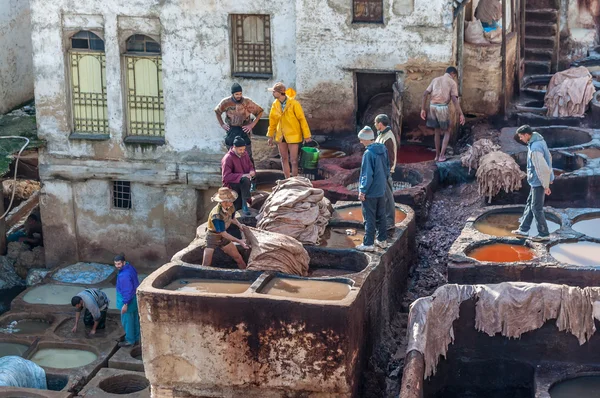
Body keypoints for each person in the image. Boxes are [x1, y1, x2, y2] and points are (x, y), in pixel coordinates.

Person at [511, 125, 554, 241]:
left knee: (536, 207)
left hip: (538, 181)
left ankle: (544, 234)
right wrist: (551, 176)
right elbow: (549, 158)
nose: (520, 139)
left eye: (521, 137)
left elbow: (541, 167)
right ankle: (523, 229)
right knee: (531, 203)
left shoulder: (535, 147)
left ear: (526, 135)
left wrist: (546, 185)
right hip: (536, 180)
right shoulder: (539, 140)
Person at [266, 83, 312, 178]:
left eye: (274, 92)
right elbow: (272, 121)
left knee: (294, 160)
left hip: (293, 134)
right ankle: (287, 179)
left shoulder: (294, 103)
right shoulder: (275, 104)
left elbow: (302, 119)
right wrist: (270, 136)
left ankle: (294, 180)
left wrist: (307, 135)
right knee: (283, 158)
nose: (273, 93)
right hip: (281, 134)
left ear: (280, 92)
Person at [420, 66, 466, 162]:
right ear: (453, 74)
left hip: (432, 106)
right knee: (447, 130)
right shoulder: (452, 82)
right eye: (454, 76)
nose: (454, 77)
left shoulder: (435, 79)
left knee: (437, 131)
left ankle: (436, 156)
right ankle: (441, 155)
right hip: (442, 108)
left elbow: (425, 94)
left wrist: (423, 109)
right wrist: (461, 114)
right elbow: (454, 99)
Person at [356, 126, 390, 252]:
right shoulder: (383, 149)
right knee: (381, 215)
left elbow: (367, 174)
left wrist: (362, 191)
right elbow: (387, 168)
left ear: (366, 139)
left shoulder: (368, 153)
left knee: (369, 217)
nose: (360, 142)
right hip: (381, 189)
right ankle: (382, 240)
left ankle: (368, 243)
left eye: (361, 139)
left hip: (370, 192)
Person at [215, 82, 264, 166]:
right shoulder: (226, 102)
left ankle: (252, 176)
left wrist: (251, 125)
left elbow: (259, 112)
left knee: (247, 155)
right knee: (232, 156)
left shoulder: (247, 102)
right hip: (232, 130)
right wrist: (222, 124)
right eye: (236, 94)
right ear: (232, 94)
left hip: (244, 129)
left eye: (240, 93)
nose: (239, 96)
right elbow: (217, 111)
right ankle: (235, 175)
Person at [203, 187, 249, 269]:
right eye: (230, 200)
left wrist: (240, 225)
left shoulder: (231, 206)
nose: (232, 202)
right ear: (223, 202)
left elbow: (232, 218)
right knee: (206, 264)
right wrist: (240, 241)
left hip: (223, 237)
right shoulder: (216, 215)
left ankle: (246, 274)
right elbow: (223, 233)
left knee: (238, 257)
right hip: (212, 237)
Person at [374, 114, 398, 230]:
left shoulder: (387, 137)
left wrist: (386, 171)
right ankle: (384, 220)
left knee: (388, 198)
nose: (374, 125)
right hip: (380, 171)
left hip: (385, 171)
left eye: (375, 123)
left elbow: (390, 157)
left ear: (380, 124)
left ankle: (390, 222)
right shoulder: (381, 135)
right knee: (383, 197)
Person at [222, 136, 256, 215]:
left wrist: (251, 171)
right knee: (244, 180)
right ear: (234, 147)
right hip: (232, 185)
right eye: (240, 149)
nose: (242, 151)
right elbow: (226, 177)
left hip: (243, 183)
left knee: (245, 180)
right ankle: (244, 204)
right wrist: (242, 176)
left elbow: (250, 166)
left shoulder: (245, 154)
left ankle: (244, 204)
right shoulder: (228, 158)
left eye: (244, 149)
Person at [114, 254, 140, 347]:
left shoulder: (123, 275)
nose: (117, 266)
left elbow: (127, 290)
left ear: (123, 262)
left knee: (127, 322)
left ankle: (130, 340)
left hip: (127, 301)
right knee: (135, 320)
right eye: (116, 264)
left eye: (119, 264)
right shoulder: (130, 268)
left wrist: (125, 304)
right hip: (134, 299)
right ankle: (137, 338)